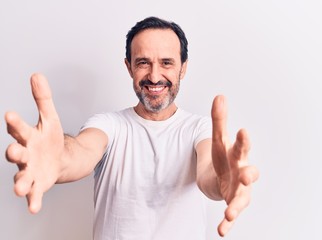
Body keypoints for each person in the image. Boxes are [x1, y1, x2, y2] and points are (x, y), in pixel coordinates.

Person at [5, 16, 259, 239]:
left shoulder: (198, 129)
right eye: (143, 62)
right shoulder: (109, 125)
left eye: (167, 63)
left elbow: (209, 172)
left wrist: (221, 182)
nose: (155, 76)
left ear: (184, 68)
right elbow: (81, 150)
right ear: (129, 67)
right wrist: (59, 157)